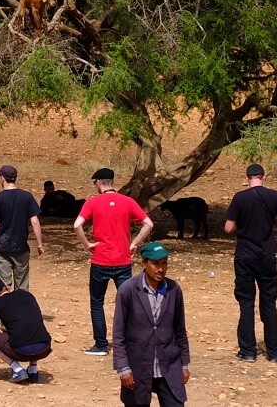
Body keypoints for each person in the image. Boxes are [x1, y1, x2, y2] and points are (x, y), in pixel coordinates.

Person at [73, 167, 154, 356]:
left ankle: (101, 345)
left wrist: (87, 244)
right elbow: (148, 224)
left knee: (97, 302)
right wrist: (134, 244)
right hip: (122, 261)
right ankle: (131, 342)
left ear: (99, 183)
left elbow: (77, 225)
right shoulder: (127, 201)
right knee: (128, 302)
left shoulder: (93, 202)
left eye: (94, 183)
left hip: (100, 260)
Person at [223, 163, 277, 363]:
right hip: (267, 255)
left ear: (247, 178)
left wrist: (241, 225)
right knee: (269, 302)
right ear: (264, 177)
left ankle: (248, 351)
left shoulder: (240, 198)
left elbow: (228, 228)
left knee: (246, 303)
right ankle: (275, 352)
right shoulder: (274, 196)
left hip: (245, 256)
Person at [113, 242, 190, 407]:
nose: (160, 269)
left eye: (164, 263)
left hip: (168, 364)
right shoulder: (128, 290)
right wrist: (123, 368)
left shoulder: (174, 290)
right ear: (144, 263)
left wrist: (184, 363)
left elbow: (180, 330)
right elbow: (118, 333)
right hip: (138, 365)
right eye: (155, 264)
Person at [0, 165, 44, 291]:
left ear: (2, 178)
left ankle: (5, 309)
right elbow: (34, 221)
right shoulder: (27, 197)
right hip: (21, 248)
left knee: (3, 286)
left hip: (1, 249)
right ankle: (21, 309)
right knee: (22, 285)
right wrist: (39, 245)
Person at [0, 276, 52, 384]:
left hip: (22, 352)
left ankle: (17, 369)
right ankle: (32, 370)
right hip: (44, 348)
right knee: (31, 329)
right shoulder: (26, 295)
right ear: (6, 286)